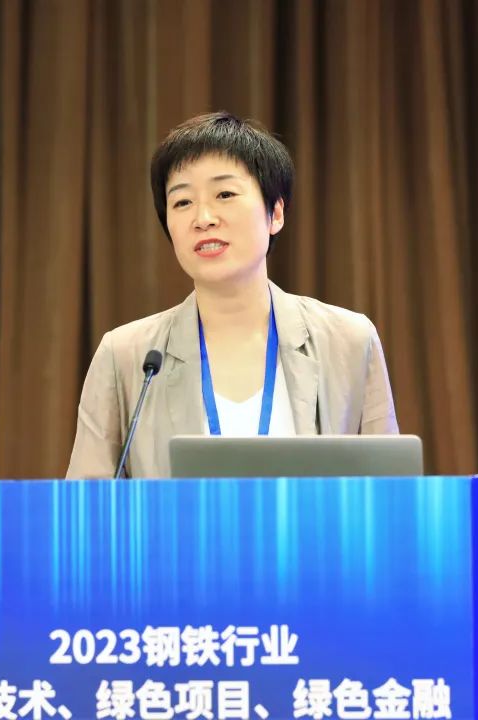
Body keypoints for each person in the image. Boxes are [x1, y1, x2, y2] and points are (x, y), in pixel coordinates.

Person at [66, 112, 397, 479]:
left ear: (275, 213)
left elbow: (391, 495)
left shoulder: (349, 341)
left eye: (224, 194)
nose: (203, 218)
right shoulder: (128, 356)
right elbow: (87, 504)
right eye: (182, 202)